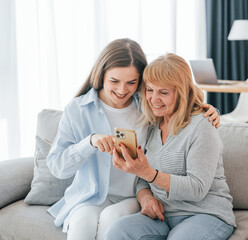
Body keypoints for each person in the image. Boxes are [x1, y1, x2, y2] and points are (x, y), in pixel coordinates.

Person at [46, 39, 220, 240]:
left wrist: (210, 110)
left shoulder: (146, 107)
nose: (122, 90)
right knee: (81, 224)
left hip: (132, 197)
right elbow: (57, 167)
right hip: (91, 197)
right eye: (114, 81)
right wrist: (89, 142)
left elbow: (178, 104)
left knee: (112, 221)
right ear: (101, 75)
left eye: (131, 83)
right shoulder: (78, 109)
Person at [106, 53, 236, 240]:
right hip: (163, 216)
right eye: (150, 90)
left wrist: (150, 174)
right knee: (117, 231)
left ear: (182, 93)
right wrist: (146, 198)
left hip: (205, 214)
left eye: (164, 92)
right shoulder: (151, 126)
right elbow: (143, 181)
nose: (154, 99)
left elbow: (197, 189)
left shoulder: (202, 126)